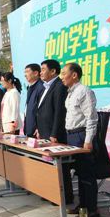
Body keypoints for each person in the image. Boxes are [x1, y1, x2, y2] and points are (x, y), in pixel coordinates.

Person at [60, 62, 99, 217]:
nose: (62, 77)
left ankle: (92, 209)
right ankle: (82, 206)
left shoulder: (84, 91)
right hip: (71, 136)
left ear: (74, 75)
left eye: (64, 73)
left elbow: (91, 118)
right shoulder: (71, 92)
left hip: (81, 136)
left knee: (86, 174)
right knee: (79, 173)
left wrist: (88, 140)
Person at [36, 59, 72, 206]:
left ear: (53, 71)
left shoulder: (59, 86)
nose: (41, 73)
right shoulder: (46, 86)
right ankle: (53, 193)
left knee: (61, 167)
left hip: (54, 134)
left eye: (43, 69)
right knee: (49, 165)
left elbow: (59, 112)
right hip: (45, 132)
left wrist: (54, 133)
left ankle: (65, 197)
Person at [23, 63, 45, 138]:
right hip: (30, 128)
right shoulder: (31, 87)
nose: (25, 75)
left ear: (36, 73)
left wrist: (39, 127)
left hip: (36, 131)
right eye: (24, 72)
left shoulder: (41, 87)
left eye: (27, 72)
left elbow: (42, 110)